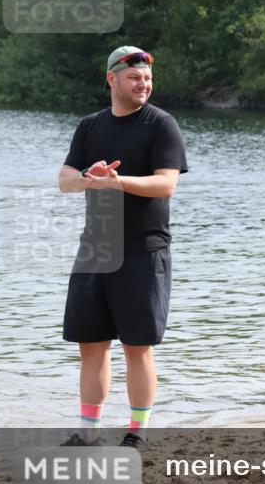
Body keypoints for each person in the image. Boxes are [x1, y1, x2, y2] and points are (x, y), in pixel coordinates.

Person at [57, 46, 188, 448]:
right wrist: (88, 175)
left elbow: (166, 184)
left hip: (143, 250)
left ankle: (137, 431)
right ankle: (88, 431)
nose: (143, 84)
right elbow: (65, 180)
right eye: (134, 78)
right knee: (90, 345)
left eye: (147, 78)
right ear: (112, 79)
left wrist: (118, 181)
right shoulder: (90, 127)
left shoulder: (160, 125)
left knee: (137, 347)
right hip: (95, 249)